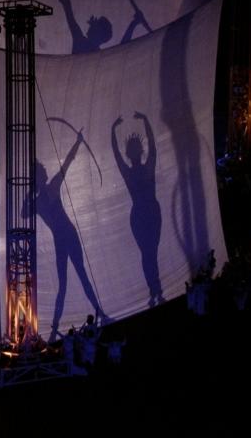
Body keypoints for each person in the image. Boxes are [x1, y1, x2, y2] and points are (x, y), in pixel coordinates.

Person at [26, 128, 105, 342]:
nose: (42, 178)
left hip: (69, 235)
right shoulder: (37, 201)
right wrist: (28, 191)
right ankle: (54, 329)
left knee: (82, 274)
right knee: (63, 284)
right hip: (60, 240)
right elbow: (24, 214)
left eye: (41, 175)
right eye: (38, 177)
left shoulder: (52, 187)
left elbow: (67, 164)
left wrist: (78, 142)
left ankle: (100, 312)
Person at [112, 111, 164, 306]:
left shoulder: (146, 167)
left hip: (151, 213)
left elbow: (153, 145)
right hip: (142, 215)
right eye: (132, 149)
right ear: (132, 153)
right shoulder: (132, 171)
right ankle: (154, 288)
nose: (135, 152)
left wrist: (147, 120)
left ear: (138, 151)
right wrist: (112, 131)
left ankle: (155, 288)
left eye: (136, 148)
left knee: (151, 252)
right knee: (147, 252)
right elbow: (117, 155)